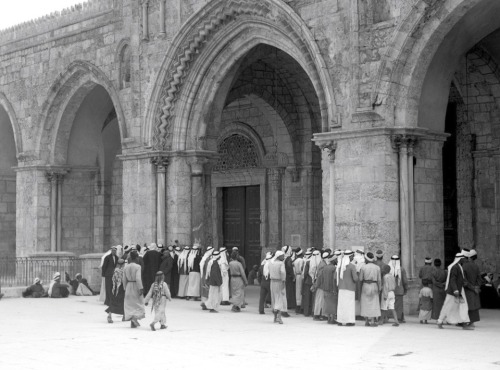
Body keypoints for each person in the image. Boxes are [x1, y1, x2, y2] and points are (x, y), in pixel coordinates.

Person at [437, 252, 471, 330]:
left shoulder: (459, 266)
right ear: (460, 259)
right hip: (454, 292)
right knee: (447, 306)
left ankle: (464, 323)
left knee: (462, 306)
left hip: (459, 291)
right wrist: (455, 290)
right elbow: (453, 280)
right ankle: (440, 321)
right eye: (463, 258)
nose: (465, 260)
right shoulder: (455, 267)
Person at [123, 251, 145, 328]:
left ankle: (132, 320)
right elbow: (138, 278)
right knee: (138, 303)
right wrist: (141, 288)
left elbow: (124, 279)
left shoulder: (126, 267)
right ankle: (135, 319)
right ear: (136, 258)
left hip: (128, 285)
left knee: (130, 304)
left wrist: (124, 287)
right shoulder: (138, 267)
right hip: (136, 285)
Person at [359, 252, 382, 327]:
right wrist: (380, 288)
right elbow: (379, 279)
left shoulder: (363, 267)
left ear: (366, 259)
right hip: (374, 285)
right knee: (373, 304)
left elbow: (360, 278)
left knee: (365, 303)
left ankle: (366, 321)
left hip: (365, 286)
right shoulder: (377, 267)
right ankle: (372, 320)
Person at [336, 250, 358, 326]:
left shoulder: (340, 266)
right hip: (350, 288)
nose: (353, 257)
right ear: (349, 257)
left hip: (341, 288)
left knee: (341, 305)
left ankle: (340, 320)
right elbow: (355, 278)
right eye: (352, 256)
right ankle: (350, 321)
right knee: (350, 305)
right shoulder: (352, 266)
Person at [315, 253, 338, 324]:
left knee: (327, 303)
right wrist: (335, 289)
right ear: (333, 260)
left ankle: (328, 318)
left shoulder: (325, 267)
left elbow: (320, 277)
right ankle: (332, 319)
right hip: (332, 288)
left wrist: (316, 285)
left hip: (325, 288)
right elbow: (334, 279)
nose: (337, 260)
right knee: (333, 304)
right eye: (336, 259)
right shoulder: (334, 268)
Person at [462, 249, 482, 328]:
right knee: (474, 305)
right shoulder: (476, 266)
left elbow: (464, 280)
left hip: (468, 289)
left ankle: (466, 321)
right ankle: (472, 321)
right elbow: (479, 279)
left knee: (467, 305)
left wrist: (472, 287)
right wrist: (477, 287)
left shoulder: (464, 266)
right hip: (475, 290)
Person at [105, 258, 126, 323]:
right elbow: (124, 280)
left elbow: (112, 280)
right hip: (121, 288)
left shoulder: (114, 270)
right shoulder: (124, 271)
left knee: (113, 301)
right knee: (122, 301)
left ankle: (110, 315)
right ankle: (124, 316)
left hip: (114, 288)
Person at [389, 255, 408, 323]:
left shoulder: (389, 268)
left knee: (390, 304)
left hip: (390, 290)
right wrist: (406, 289)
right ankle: (399, 318)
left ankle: (389, 317)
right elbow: (405, 281)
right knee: (399, 306)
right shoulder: (401, 269)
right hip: (399, 290)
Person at [269, 251, 286, 324]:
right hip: (279, 281)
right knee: (279, 299)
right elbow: (282, 272)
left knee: (274, 299)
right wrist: (283, 280)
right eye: (282, 256)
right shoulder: (281, 263)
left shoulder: (271, 262)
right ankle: (279, 317)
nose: (283, 257)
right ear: (279, 256)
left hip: (272, 282)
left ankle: (275, 317)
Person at [312, 251, 329, 320]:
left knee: (321, 300)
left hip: (321, 285)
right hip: (321, 285)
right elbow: (320, 277)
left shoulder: (322, 264)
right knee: (319, 300)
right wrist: (317, 285)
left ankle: (320, 314)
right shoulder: (323, 265)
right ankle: (316, 315)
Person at [282, 245, 295, 317]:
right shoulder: (288, 259)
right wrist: (293, 275)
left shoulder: (282, 258)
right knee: (288, 291)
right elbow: (290, 268)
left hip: (284, 276)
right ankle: (286, 307)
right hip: (288, 277)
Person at [200, 246, 214, 310]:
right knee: (207, 290)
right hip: (207, 276)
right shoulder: (208, 259)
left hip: (203, 276)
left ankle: (204, 303)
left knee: (204, 290)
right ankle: (206, 304)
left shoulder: (204, 258)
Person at [301, 250, 314, 316]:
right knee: (312, 298)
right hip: (313, 281)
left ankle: (306, 312)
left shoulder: (307, 262)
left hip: (307, 281)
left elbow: (305, 272)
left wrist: (304, 279)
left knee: (307, 298)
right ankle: (311, 312)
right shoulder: (316, 261)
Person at [292, 248, 305, 313]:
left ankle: (297, 306)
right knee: (300, 290)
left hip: (297, 275)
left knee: (297, 291)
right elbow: (301, 269)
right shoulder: (301, 260)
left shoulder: (295, 260)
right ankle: (299, 306)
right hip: (300, 275)